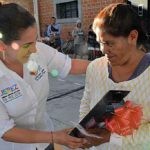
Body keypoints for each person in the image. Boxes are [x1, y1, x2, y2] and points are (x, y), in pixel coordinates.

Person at [0, 3, 89, 150]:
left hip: (44, 142)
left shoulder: (38, 51)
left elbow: (69, 65)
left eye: (35, 40)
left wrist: (107, 65)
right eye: (27, 44)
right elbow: (5, 130)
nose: (34, 49)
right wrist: (55, 137)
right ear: (2, 45)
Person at [79, 3, 150, 150]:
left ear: (132, 36)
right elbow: (86, 103)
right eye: (100, 43)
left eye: (109, 43)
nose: (104, 50)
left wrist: (111, 138)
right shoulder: (95, 68)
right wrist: (83, 133)